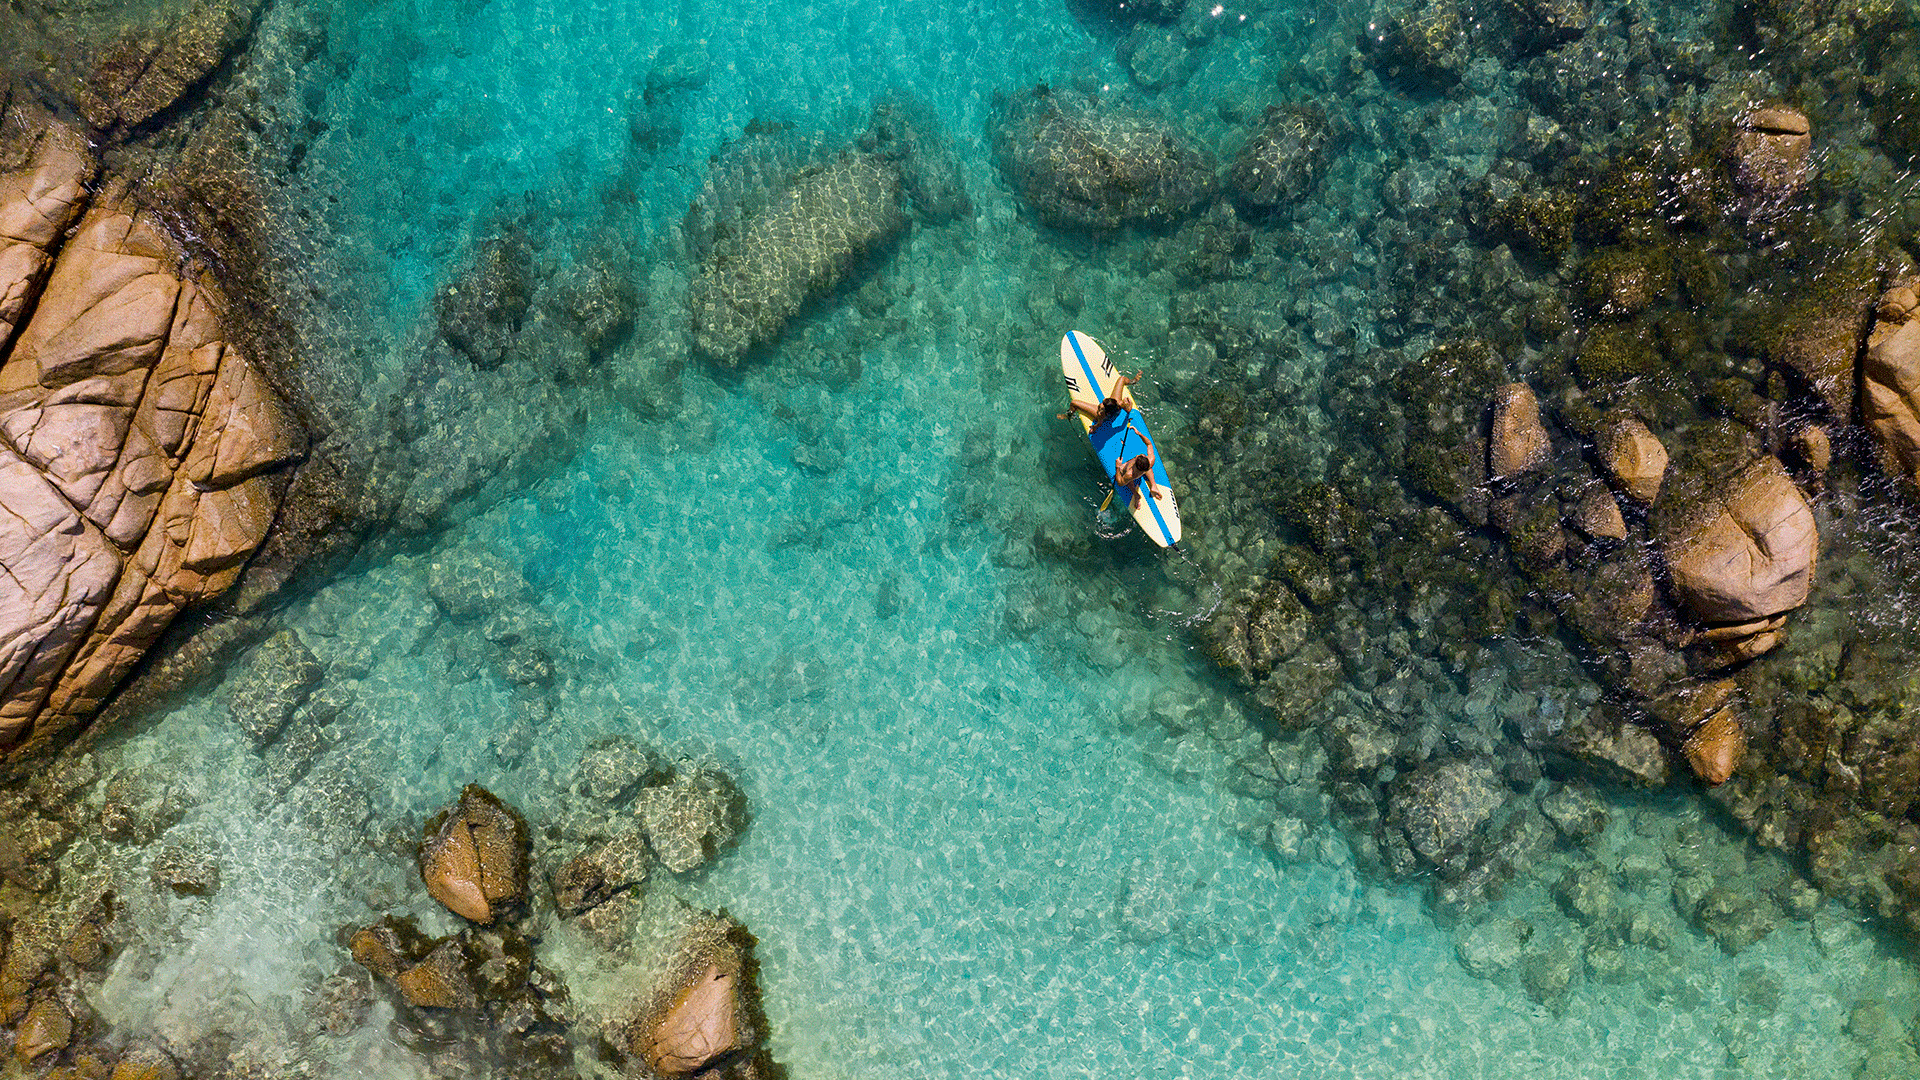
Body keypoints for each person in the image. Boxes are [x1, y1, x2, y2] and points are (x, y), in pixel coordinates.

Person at [1112, 422, 1168, 509]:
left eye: (1138, 457)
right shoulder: (1150, 460)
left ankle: (1136, 495)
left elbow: (1120, 483)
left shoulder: (1130, 474)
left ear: (1136, 464)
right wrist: (1139, 434)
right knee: (1147, 466)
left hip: (1133, 475)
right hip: (1144, 469)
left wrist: (1118, 466)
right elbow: (1149, 444)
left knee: (1122, 471)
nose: (1138, 456)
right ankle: (1153, 485)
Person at [1058, 370, 1143, 426]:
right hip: (1111, 410)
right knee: (1122, 379)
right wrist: (1128, 405)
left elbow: (1100, 422)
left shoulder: (1100, 413)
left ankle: (1067, 416)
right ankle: (1134, 381)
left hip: (1105, 417)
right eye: (1104, 401)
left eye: (1102, 405)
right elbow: (1128, 410)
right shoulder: (1118, 403)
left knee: (1074, 403)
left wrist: (1095, 427)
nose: (1101, 402)